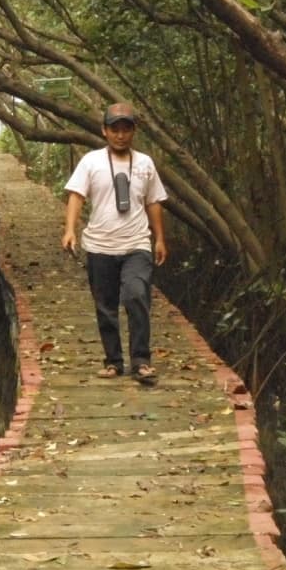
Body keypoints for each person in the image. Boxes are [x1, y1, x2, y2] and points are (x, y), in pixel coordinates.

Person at [61, 102, 168, 384]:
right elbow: (76, 195)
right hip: (100, 245)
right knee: (105, 305)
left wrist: (159, 238)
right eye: (115, 129)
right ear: (104, 131)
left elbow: (154, 201)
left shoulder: (144, 163)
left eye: (126, 129)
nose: (120, 135)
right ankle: (113, 362)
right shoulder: (91, 161)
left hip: (136, 244)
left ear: (134, 131)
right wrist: (70, 229)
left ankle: (141, 361)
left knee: (136, 295)